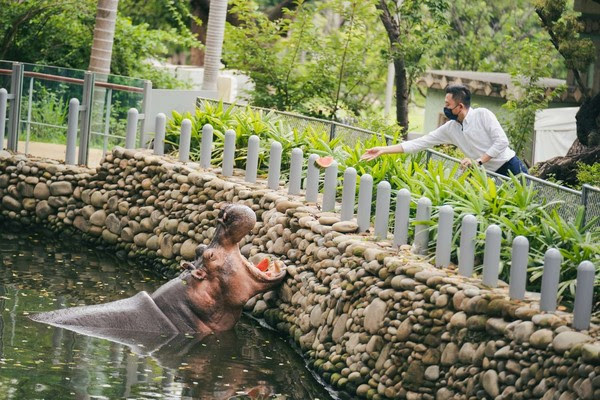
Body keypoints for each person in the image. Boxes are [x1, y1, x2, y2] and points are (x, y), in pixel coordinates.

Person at [361, 84, 528, 176]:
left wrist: (477, 161)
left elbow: (502, 142)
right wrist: (383, 150)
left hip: (511, 166)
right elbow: (420, 143)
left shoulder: (483, 115)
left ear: (460, 106)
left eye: (448, 105)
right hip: (489, 174)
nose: (445, 108)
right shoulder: (450, 128)